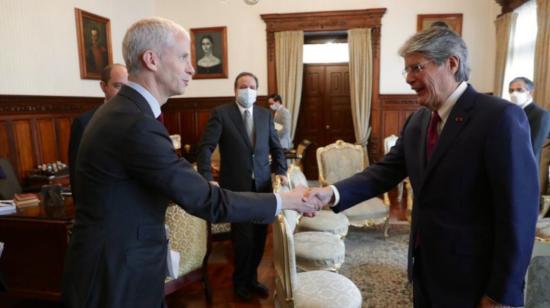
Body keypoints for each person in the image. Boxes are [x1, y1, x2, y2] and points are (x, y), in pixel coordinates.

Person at [61, 18, 318, 308]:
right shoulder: (134, 122)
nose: (191, 68)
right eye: (183, 57)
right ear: (151, 59)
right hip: (115, 277)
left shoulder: (128, 113)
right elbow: (208, 201)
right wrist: (285, 201)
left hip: (121, 266)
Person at [306, 27, 539, 308]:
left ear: (451, 64)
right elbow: (385, 171)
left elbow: (518, 213)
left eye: (416, 68)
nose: (409, 79)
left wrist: (502, 293)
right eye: (406, 70)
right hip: (424, 268)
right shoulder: (417, 122)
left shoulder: (499, 117)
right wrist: (329, 193)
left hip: (473, 279)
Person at [197, 72, 287, 301]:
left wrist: (282, 170)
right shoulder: (221, 114)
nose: (247, 90)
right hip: (236, 188)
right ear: (235, 90)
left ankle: (252, 279)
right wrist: (207, 176)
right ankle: (239, 282)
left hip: (263, 187)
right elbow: (206, 147)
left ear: (257, 90)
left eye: (252, 86)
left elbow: (276, 147)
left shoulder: (266, 115)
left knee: (259, 238)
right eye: (243, 86)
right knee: (243, 239)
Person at [68, 63, 128, 195]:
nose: (124, 93)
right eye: (118, 86)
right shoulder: (84, 123)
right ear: (103, 86)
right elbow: (76, 175)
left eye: (128, 87)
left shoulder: (141, 120)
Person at [507, 76, 550, 168]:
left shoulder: (541, 115)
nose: (514, 93)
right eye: (511, 90)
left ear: (530, 93)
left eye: (519, 90)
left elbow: (533, 147)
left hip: (526, 167)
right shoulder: (508, 112)